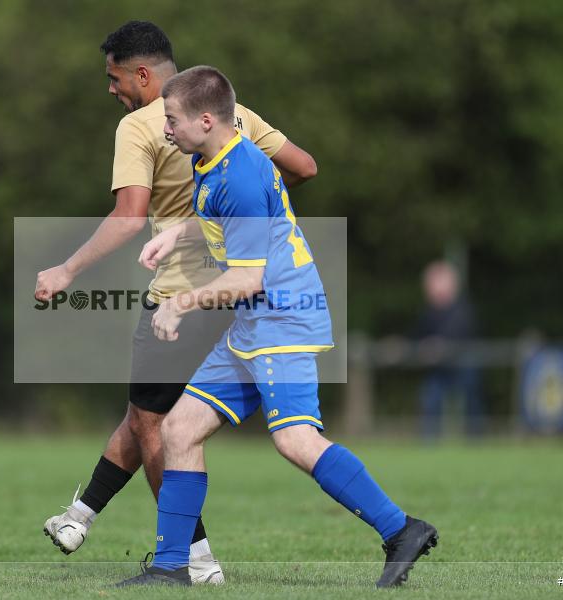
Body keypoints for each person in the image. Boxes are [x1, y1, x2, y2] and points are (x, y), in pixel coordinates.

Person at [116, 66, 438, 588]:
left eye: (171, 119)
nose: (164, 129)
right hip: (254, 322)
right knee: (179, 429)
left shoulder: (239, 173)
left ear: (204, 119)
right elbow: (221, 217)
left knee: (295, 440)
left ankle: (402, 529)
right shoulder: (211, 154)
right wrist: (176, 235)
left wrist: (180, 304)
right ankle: (173, 566)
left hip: (280, 317)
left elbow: (247, 279)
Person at [35, 21, 318, 584]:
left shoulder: (140, 126)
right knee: (147, 415)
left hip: (180, 297)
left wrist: (67, 269)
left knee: (157, 427)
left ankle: (194, 556)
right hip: (239, 289)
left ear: (143, 74)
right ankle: (80, 516)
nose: (111, 90)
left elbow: (129, 218)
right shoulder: (232, 114)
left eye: (115, 78)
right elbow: (304, 167)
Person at [414, 260, 483, 439]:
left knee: (472, 401)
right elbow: (417, 336)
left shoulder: (463, 309)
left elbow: (460, 332)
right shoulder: (428, 312)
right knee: (431, 399)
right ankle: (429, 443)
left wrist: (439, 345)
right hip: (439, 370)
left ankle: (476, 441)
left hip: (463, 366)